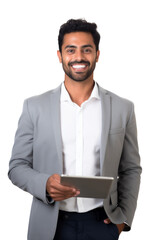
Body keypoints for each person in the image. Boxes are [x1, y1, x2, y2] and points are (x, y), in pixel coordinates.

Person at [8, 19, 142, 240]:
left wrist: (123, 220)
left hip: (102, 224)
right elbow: (17, 166)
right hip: (50, 225)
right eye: (71, 50)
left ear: (97, 54)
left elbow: (130, 169)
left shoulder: (122, 108)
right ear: (60, 56)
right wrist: (44, 184)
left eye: (86, 50)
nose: (79, 57)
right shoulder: (34, 107)